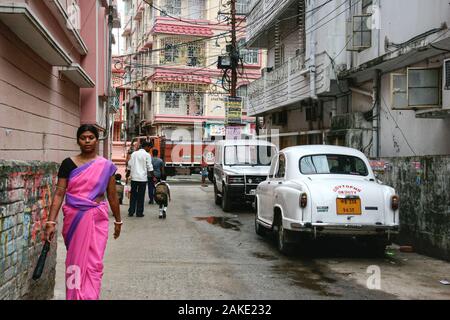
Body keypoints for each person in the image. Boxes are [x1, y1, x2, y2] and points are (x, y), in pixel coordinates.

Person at [45, 124, 122, 300]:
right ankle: (73, 296)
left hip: (97, 219)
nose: (87, 141)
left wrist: (118, 221)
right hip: (74, 218)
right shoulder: (68, 164)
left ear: (96, 139)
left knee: (94, 263)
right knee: (75, 261)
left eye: (91, 137)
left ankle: (90, 296)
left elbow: (112, 196)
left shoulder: (106, 166)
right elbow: (59, 193)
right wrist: (51, 222)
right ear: (78, 140)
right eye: (83, 138)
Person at [127, 141, 154, 217]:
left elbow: (129, 165)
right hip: (142, 179)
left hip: (134, 178)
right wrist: (153, 176)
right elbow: (149, 167)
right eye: (149, 148)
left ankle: (131, 211)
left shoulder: (134, 154)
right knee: (141, 196)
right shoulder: (147, 155)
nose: (150, 149)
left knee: (133, 195)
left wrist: (127, 174)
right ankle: (139, 212)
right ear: (146, 147)